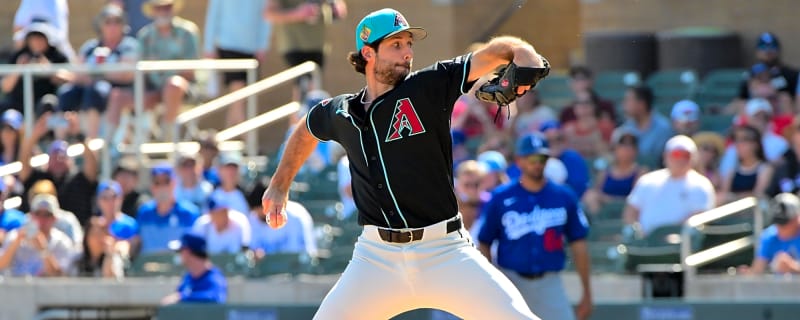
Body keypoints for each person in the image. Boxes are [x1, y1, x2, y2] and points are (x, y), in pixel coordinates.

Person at [260, 8, 546, 319]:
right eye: (396, 45)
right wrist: (279, 185)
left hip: (445, 251)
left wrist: (524, 53)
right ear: (368, 53)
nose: (407, 52)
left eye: (409, 44)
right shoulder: (341, 111)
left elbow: (495, 53)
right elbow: (306, 129)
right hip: (376, 258)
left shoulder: (430, 86)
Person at [478, 133, 592, 320]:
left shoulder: (564, 196)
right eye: (531, 158)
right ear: (519, 160)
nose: (537, 163)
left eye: (542, 158)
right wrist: (490, 285)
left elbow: (579, 244)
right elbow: (484, 242)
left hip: (550, 282)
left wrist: (586, 292)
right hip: (511, 281)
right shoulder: (501, 197)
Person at [59, 5, 139, 139]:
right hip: (87, 86)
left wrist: (97, 74)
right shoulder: (90, 47)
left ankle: (92, 141)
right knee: (66, 93)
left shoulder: (128, 46)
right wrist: (96, 75)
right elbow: (77, 73)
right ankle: (61, 141)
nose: (112, 26)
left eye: (117, 22)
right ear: (100, 25)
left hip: (118, 89)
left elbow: (127, 74)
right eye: (108, 22)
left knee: (95, 91)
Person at [623, 135, 716, 235]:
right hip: (644, 241)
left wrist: (671, 234)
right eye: (676, 154)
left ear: (693, 158)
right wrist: (639, 234)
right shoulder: (647, 181)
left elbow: (699, 216)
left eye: (686, 155)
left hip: (683, 242)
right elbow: (631, 212)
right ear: (665, 156)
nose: (681, 159)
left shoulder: (702, 185)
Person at [137, 0, 200, 141]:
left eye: (167, 7)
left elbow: (190, 70)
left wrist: (164, 77)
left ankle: (167, 139)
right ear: (153, 11)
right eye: (159, 8)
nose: (163, 11)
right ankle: (115, 144)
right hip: (152, 88)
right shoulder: (145, 36)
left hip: (184, 88)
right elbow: (141, 69)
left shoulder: (187, 32)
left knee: (173, 85)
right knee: (119, 96)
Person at [204, 0, 271, 126]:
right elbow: (213, 16)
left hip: (251, 49)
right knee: (238, 97)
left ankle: (230, 134)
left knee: (240, 100)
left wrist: (262, 45)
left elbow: (266, 16)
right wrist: (209, 47)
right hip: (228, 46)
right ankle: (245, 135)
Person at [19, 115, 98, 223]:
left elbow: (92, 165)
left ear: (70, 161)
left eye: (62, 156)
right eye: (54, 155)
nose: (58, 159)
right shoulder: (38, 178)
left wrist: (78, 134)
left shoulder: (78, 180)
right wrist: (35, 134)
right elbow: (24, 163)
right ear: (47, 160)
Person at [263, 0, 348, 100]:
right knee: (303, 87)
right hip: (294, 45)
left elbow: (339, 7)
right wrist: (298, 14)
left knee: (314, 88)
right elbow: (269, 13)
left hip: (318, 45)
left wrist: (337, 8)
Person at [1, 22, 70, 115]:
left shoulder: (56, 56)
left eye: (40, 37)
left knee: (48, 104)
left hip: (43, 104)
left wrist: (48, 69)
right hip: (18, 103)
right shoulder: (19, 55)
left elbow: (70, 78)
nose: (36, 41)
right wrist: (19, 68)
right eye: (33, 38)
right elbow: (6, 87)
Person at [0, 194, 77, 276]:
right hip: (14, 284)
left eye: (47, 215)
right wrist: (16, 242)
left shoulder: (62, 242)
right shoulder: (14, 236)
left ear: (55, 218)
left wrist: (43, 250)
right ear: (31, 216)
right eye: (38, 214)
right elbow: (1, 266)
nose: (42, 219)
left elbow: (60, 276)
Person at [135, 164, 200, 255]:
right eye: (157, 182)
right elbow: (136, 242)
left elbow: (196, 248)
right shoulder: (144, 213)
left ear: (174, 183)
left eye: (166, 181)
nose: (162, 187)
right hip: (148, 263)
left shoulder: (189, 213)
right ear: (152, 186)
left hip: (178, 263)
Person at [719, 98, 788, 176]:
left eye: (765, 117)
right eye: (756, 116)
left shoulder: (781, 143)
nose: (761, 120)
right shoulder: (737, 144)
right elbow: (725, 172)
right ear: (748, 119)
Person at [582, 129, 645, 215]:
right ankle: (598, 222)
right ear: (615, 148)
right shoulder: (605, 172)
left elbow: (637, 198)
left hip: (628, 211)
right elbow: (596, 192)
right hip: (605, 211)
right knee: (590, 195)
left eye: (631, 145)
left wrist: (608, 199)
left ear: (636, 150)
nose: (626, 148)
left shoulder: (641, 172)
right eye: (622, 144)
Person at [741, 193, 800, 275]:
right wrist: (747, 275)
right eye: (778, 223)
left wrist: (793, 267)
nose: (780, 228)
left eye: (784, 223)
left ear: (797, 218)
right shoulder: (770, 236)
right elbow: (757, 271)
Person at [161, 233, 227, 304]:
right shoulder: (188, 277)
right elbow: (179, 295)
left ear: (188, 252)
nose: (179, 255)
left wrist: (182, 298)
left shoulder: (214, 277)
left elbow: (215, 298)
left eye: (180, 251)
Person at [619, 86, 674, 168]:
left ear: (641, 104)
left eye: (628, 100)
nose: (624, 104)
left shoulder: (664, 129)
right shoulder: (626, 127)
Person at [718, 125, 773, 204]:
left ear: (756, 144)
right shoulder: (732, 170)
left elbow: (758, 194)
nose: (738, 145)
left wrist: (732, 197)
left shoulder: (765, 168)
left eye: (744, 140)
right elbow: (724, 194)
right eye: (736, 140)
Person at [736, 32, 798, 103]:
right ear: (757, 51)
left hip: (781, 108)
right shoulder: (751, 73)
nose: (768, 51)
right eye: (763, 47)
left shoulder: (790, 74)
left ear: (778, 50)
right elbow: (742, 98)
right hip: (756, 107)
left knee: (784, 98)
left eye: (772, 47)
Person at [248, 199, 316, 258]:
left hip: (295, 265)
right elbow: (253, 250)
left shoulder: (296, 214)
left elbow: (306, 252)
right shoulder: (253, 218)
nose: (258, 215)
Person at [95, 181, 137, 260]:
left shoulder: (130, 225)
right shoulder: (95, 226)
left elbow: (134, 251)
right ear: (98, 200)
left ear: (121, 198)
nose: (110, 202)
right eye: (105, 198)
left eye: (114, 197)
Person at [454, 160, 490, 231]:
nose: (472, 190)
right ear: (458, 185)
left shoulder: (491, 203)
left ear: (484, 183)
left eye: (476, 184)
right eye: (467, 185)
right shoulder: (451, 206)